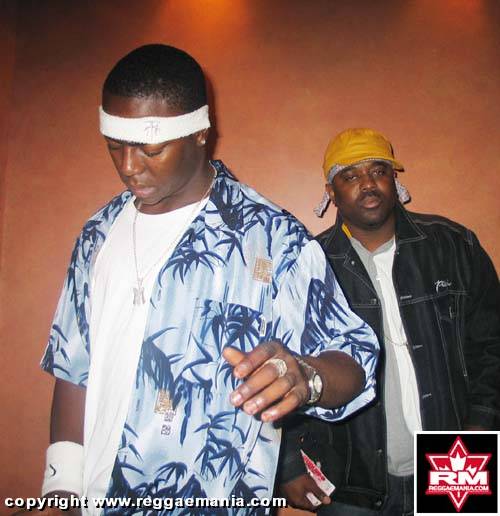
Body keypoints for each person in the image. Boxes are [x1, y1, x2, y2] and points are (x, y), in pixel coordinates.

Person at [39, 47, 379, 515]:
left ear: (200, 132)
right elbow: (73, 366)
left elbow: (356, 358)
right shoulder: (98, 234)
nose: (128, 166)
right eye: (114, 145)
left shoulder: (275, 239)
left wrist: (308, 376)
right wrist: (61, 489)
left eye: (150, 149)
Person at [278, 128, 500, 515]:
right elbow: (286, 365)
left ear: (394, 181)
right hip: (349, 479)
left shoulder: (453, 246)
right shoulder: (308, 265)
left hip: (455, 458)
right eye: (350, 176)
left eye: (378, 171)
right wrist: (290, 466)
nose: (367, 184)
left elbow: (493, 345)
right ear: (331, 193)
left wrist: (481, 426)